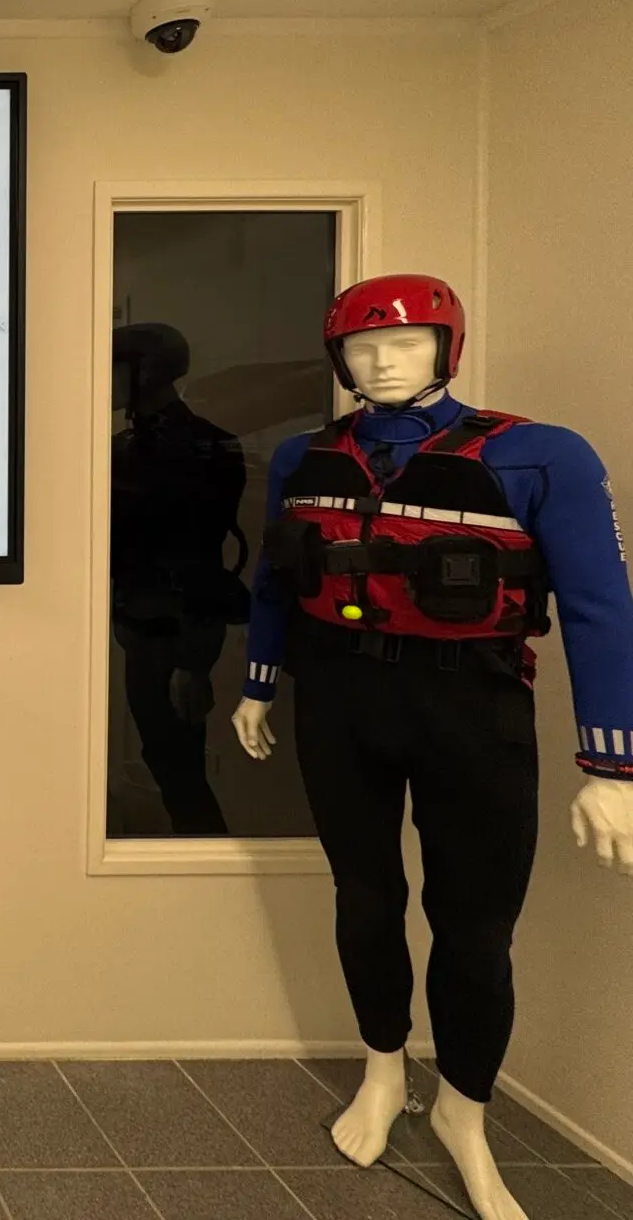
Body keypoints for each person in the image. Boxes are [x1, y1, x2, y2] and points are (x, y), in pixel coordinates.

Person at [233, 274, 633, 1220]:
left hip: (473, 707)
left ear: (447, 347)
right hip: (339, 698)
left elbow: (599, 609)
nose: (381, 360)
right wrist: (257, 685)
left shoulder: (542, 456)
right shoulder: (306, 455)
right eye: (363, 347)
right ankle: (384, 1068)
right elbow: (274, 580)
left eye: (406, 343)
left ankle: (466, 1110)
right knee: (365, 896)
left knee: (475, 925)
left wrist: (610, 764)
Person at [109, 322, 249, 834]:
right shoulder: (132, 446)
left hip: (174, 628)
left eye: (117, 368)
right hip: (145, 622)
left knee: (176, 768)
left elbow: (196, 559)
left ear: (145, 372)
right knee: (166, 758)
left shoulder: (197, 448)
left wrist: (193, 662)